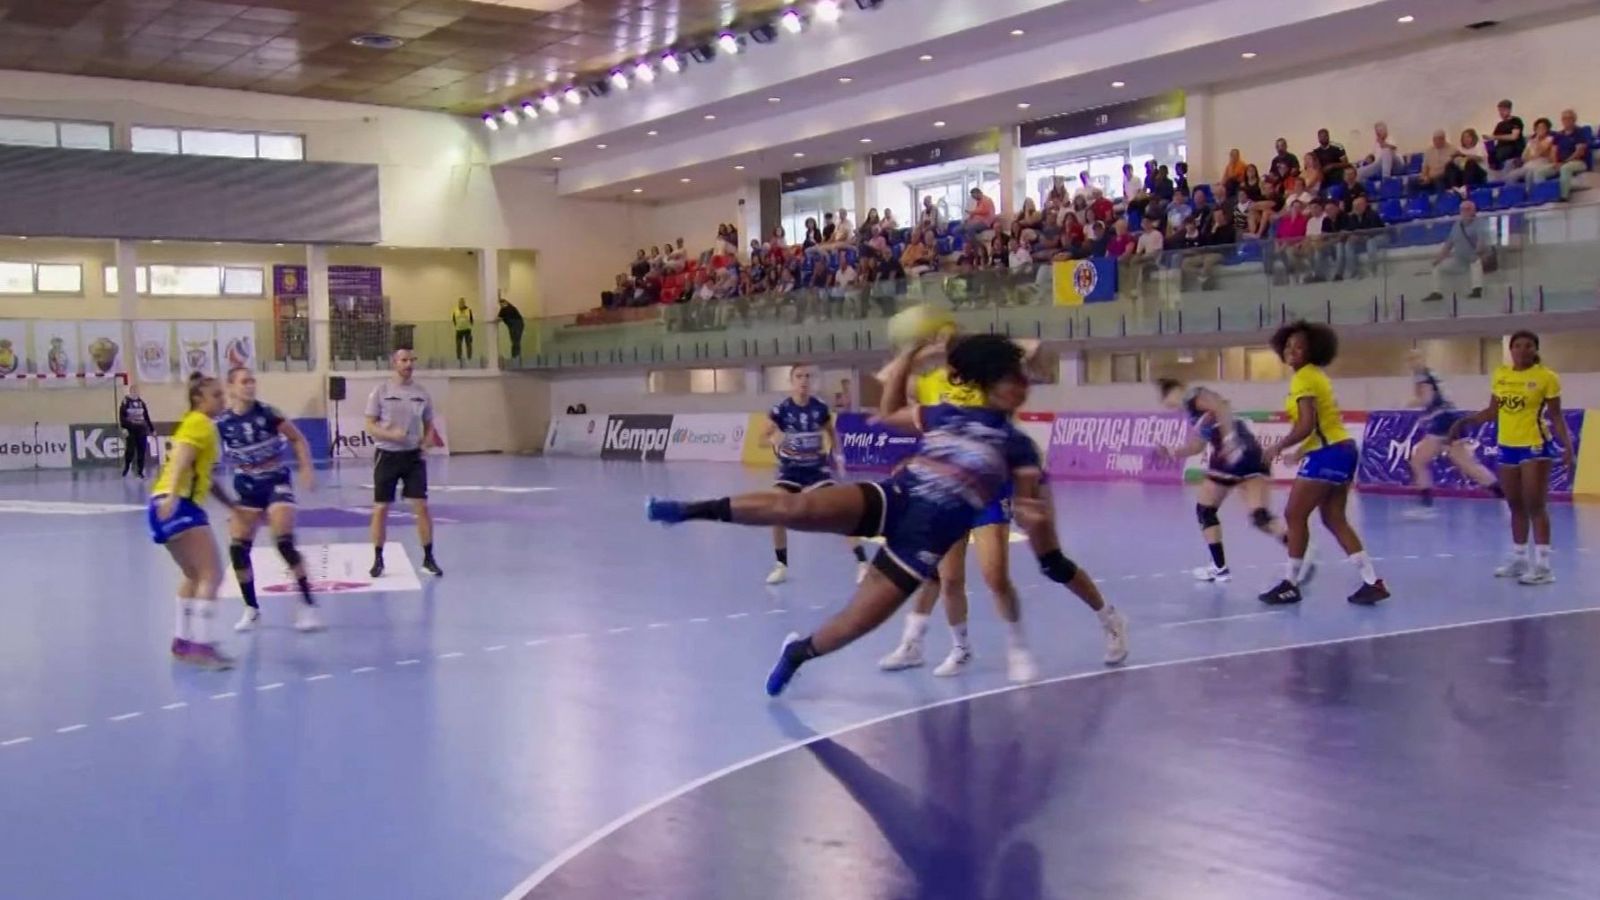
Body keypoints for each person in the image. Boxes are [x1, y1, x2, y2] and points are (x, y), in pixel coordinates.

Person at [648, 335, 1127, 696]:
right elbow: (887, 412)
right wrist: (911, 358)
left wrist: (1034, 518)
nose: (1022, 388)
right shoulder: (941, 414)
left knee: (856, 623)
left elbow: (1029, 508)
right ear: (990, 384)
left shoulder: (1018, 445)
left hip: (923, 539)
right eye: (1012, 380)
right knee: (797, 506)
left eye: (1023, 381)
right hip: (894, 497)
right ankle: (688, 510)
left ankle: (797, 652)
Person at [877, 335, 1040, 682]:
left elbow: (1031, 350)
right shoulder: (935, 385)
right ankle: (960, 648)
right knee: (949, 579)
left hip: (988, 485)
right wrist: (914, 352)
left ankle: (1017, 646)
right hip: (950, 489)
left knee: (995, 575)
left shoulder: (992, 379)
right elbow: (889, 396)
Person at [1258, 321, 1388, 606]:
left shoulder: (1304, 378)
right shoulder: (1315, 376)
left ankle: (1290, 583)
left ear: (1313, 350)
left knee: (1294, 514)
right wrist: (1303, 451)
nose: (1292, 350)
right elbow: (1320, 426)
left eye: (1299, 346)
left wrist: (1279, 446)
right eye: (1289, 345)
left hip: (1329, 453)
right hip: (1340, 449)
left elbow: (1306, 424)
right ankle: (1372, 582)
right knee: (1333, 517)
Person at [1449, 331, 1574, 585]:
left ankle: (1543, 566)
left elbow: (1557, 416)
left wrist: (1568, 449)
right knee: (1515, 504)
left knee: (1534, 504)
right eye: (1517, 345)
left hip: (1535, 446)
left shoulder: (1545, 377)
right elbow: (1493, 411)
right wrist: (1466, 421)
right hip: (1507, 446)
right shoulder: (1501, 375)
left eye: (1528, 346)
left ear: (1535, 349)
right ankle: (1519, 558)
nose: (1521, 350)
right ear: (1511, 349)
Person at [1155, 378, 1297, 583]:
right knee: (1259, 516)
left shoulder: (1193, 395)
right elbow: (1197, 446)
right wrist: (1171, 451)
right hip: (1251, 452)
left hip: (1229, 454)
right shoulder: (1195, 414)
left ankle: (1219, 567)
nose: (1165, 402)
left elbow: (1222, 405)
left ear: (1174, 391)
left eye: (1164, 395)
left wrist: (1229, 440)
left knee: (1205, 509)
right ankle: (1301, 551)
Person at [217, 367, 323, 633]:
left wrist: (306, 468)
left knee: (284, 543)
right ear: (231, 388)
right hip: (247, 488)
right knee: (238, 549)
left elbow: (297, 439)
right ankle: (251, 608)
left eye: (252, 381)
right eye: (244, 382)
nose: (250, 386)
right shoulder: (222, 423)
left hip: (275, 482)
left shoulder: (268, 413)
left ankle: (308, 606)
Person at [148, 373, 233, 670]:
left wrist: (231, 505)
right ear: (199, 399)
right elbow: (182, 457)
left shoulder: (194, 423)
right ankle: (201, 646)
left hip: (160, 504)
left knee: (193, 574)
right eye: (217, 395)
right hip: (178, 503)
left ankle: (182, 642)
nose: (223, 400)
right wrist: (173, 496)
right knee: (212, 574)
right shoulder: (201, 423)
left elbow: (205, 478)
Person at [761, 364, 869, 585]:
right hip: (790, 470)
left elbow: (832, 435)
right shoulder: (781, 409)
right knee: (776, 509)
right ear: (792, 381)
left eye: (808, 376)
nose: (804, 380)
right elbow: (761, 439)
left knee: (842, 511)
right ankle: (781, 565)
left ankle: (862, 563)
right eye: (799, 376)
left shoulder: (819, 407)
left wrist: (839, 457)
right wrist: (775, 442)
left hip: (816, 471)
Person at [365, 348, 443, 579]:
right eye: (404, 360)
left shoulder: (422, 393)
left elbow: (429, 423)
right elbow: (370, 425)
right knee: (381, 508)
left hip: (413, 457)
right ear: (395, 363)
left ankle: (428, 558)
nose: (408, 364)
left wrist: (428, 438)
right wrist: (391, 436)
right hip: (387, 456)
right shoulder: (381, 391)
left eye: (411, 360)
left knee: (422, 506)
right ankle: (378, 559)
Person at [1403, 352, 1502, 520]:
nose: (1412, 362)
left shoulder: (1421, 375)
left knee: (1418, 461)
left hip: (1442, 420)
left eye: (1414, 359)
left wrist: (1411, 403)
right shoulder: (1431, 373)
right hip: (1453, 418)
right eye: (1410, 359)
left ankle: (1426, 506)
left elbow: (1427, 399)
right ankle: (1507, 498)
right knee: (1467, 464)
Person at [119, 383, 152, 478]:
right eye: (134, 391)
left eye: (137, 391)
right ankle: (127, 467)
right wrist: (124, 427)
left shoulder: (141, 403)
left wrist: (151, 429)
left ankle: (140, 471)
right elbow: (122, 416)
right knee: (130, 450)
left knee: (142, 450)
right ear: (130, 391)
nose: (136, 392)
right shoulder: (126, 401)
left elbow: (146, 416)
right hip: (131, 429)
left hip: (141, 429)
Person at [451, 298, 475, 362]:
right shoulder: (455, 310)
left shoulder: (468, 310)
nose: (461, 303)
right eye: (460, 302)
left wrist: (469, 326)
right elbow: (454, 319)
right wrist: (457, 326)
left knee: (469, 344)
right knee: (458, 345)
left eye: (463, 302)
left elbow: (471, 319)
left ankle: (469, 358)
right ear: (459, 303)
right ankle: (459, 358)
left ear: (465, 303)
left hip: (467, 330)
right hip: (459, 330)